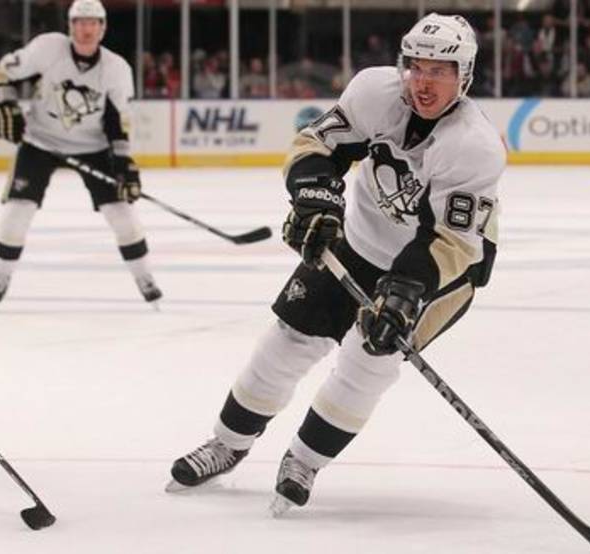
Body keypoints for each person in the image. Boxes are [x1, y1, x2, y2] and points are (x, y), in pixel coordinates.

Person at [168, 13, 506, 515]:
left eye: (439, 71)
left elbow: (450, 242)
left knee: (369, 359)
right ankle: (228, 443)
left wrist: (404, 293)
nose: (423, 82)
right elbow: (317, 145)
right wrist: (315, 200)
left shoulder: (474, 146)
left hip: (441, 271)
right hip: (359, 239)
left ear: (465, 75)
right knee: (288, 340)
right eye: (416, 67)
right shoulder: (375, 92)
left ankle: (304, 461)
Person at [0, 0, 161, 309]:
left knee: (123, 216)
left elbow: (118, 122)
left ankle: (144, 278)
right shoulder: (48, 48)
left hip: (93, 148)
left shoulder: (117, 68)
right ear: (70, 26)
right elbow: (0, 73)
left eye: (92, 23)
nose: (86, 29)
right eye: (80, 22)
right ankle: (0, 277)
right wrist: (5, 104)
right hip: (39, 141)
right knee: (16, 213)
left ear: (103, 28)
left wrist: (124, 165)